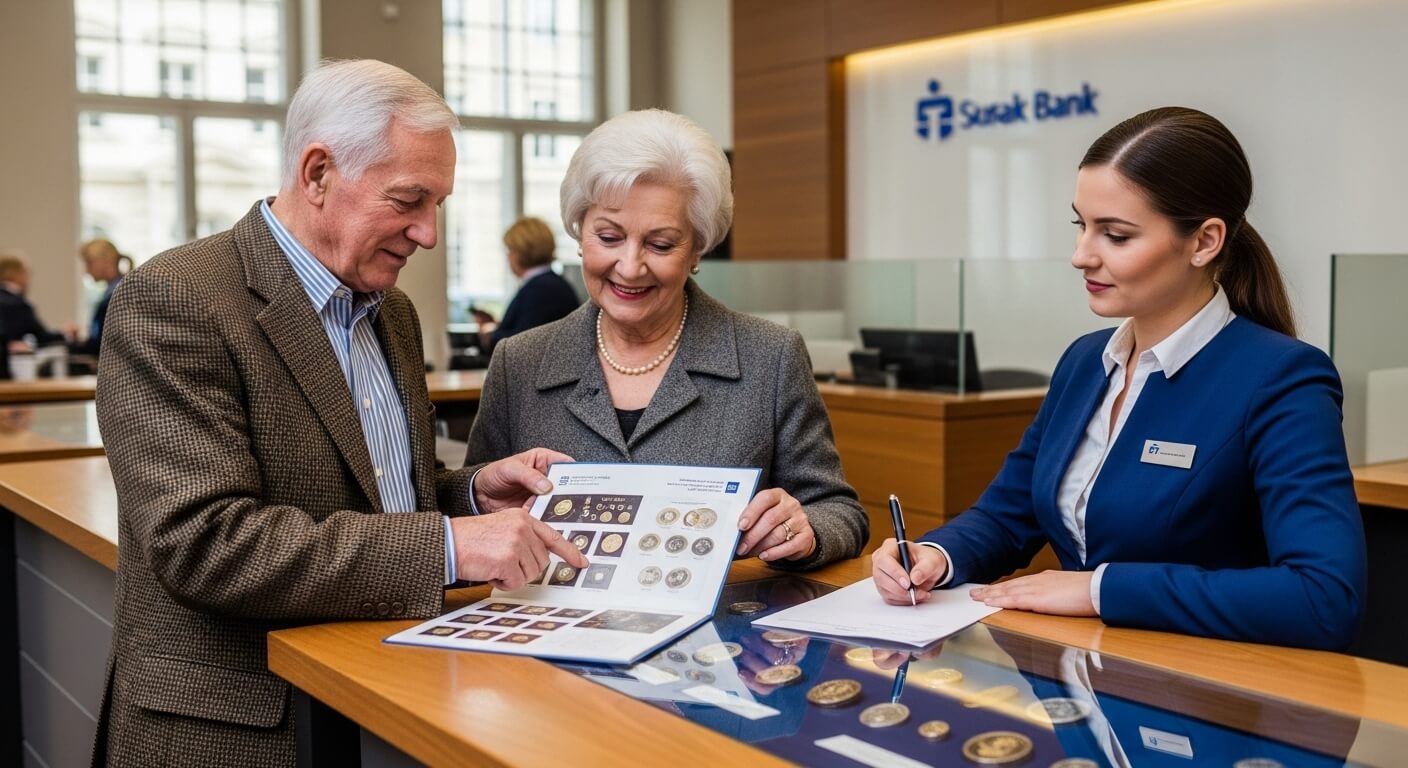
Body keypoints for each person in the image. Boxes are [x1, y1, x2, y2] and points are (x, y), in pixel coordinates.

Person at [94, 59, 588, 768]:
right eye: (409, 199)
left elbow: (368, 499)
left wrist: (471, 494)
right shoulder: (175, 300)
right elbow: (205, 543)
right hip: (239, 728)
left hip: (380, 695)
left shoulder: (394, 313)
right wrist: (453, 545)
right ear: (318, 173)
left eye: (438, 205)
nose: (428, 234)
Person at [871, 107, 1366, 651]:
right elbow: (1008, 514)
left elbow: (1323, 597)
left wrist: (1099, 591)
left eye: (1116, 235)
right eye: (1081, 225)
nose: (1081, 256)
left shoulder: (1282, 378)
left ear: (1204, 242)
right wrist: (934, 557)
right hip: (1082, 684)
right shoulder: (1085, 361)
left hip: (1206, 694)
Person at [465, 109, 867, 568]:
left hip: (716, 633)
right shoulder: (518, 362)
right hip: (551, 625)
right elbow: (473, 508)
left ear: (698, 249)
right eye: (609, 237)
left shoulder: (769, 357)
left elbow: (840, 512)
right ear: (579, 233)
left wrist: (805, 531)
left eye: (660, 245)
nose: (631, 267)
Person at [471, 216, 580, 354]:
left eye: (510, 250)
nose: (508, 257)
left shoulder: (541, 288)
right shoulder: (550, 284)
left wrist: (489, 335)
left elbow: (524, 343)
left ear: (521, 251)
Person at [70, 238, 132, 357]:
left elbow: (102, 345)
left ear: (107, 261)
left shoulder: (120, 295)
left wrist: (73, 346)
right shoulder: (112, 292)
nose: (86, 271)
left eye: (89, 263)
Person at [0, 249, 67, 349]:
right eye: (26, 273)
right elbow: (43, 337)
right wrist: (66, 333)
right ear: (16, 274)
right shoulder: (20, 305)